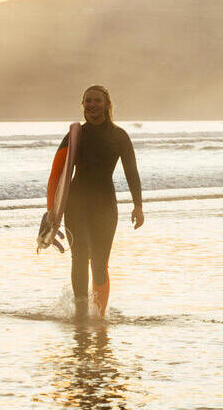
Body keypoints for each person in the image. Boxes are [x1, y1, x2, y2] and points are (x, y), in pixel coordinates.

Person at [62, 84, 144, 319]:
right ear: (82, 104)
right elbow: (58, 172)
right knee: (79, 257)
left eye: (97, 101)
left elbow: (131, 171)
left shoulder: (118, 136)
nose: (91, 105)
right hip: (76, 204)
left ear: (107, 104)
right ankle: (80, 312)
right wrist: (52, 210)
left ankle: (98, 315)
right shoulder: (75, 134)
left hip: (105, 205)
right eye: (87, 101)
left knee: (99, 262)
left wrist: (138, 205)